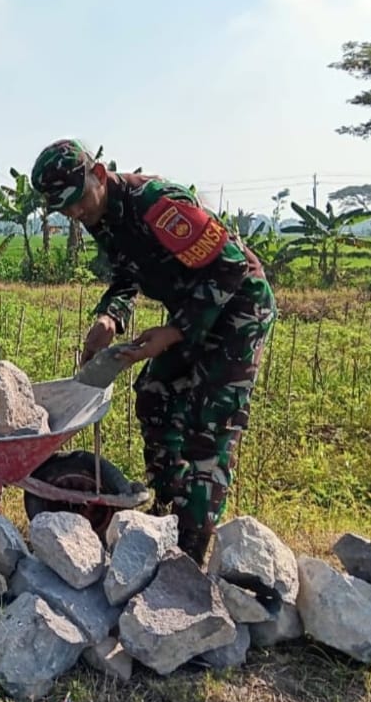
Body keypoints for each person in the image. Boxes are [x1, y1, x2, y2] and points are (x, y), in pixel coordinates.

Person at [30, 138, 276, 565]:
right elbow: (128, 275)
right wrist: (110, 317)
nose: (75, 213)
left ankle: (189, 553)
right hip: (189, 314)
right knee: (154, 395)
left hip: (238, 309)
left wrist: (176, 331)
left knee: (208, 424)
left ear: (100, 175)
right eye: (64, 209)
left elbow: (232, 266)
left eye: (77, 201)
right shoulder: (99, 214)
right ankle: (167, 512)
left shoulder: (158, 205)